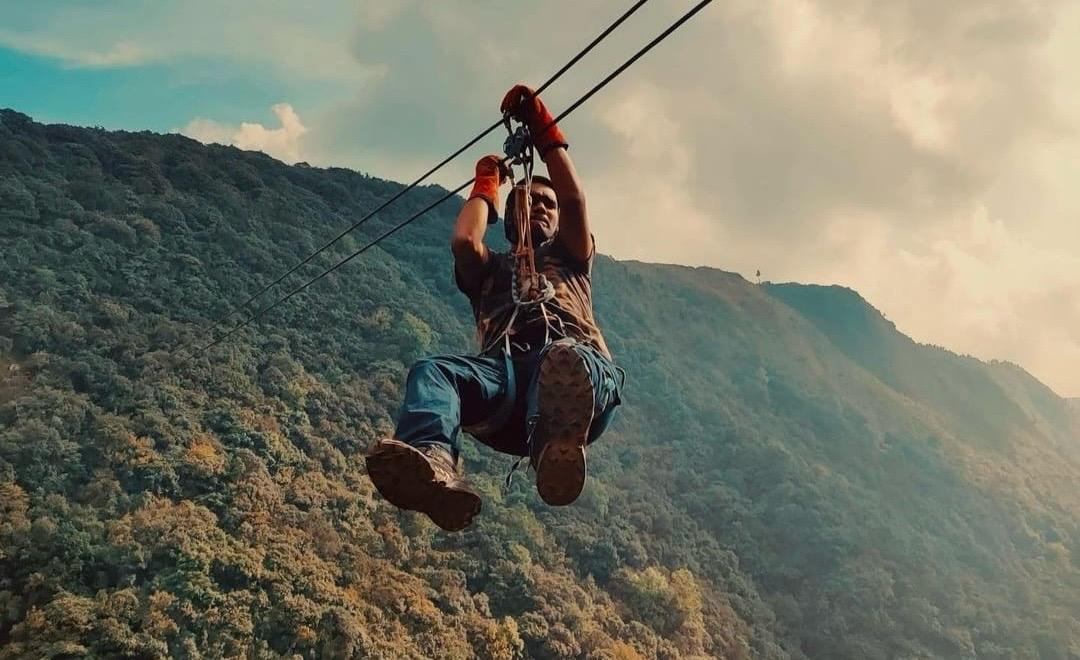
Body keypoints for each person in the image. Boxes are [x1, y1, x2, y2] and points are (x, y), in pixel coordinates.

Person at [365, 84, 624, 531]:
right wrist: (487, 183)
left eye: (546, 203)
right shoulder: (491, 272)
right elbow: (465, 241)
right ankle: (433, 460)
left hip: (576, 380)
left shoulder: (571, 259)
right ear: (508, 217)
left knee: (564, 357)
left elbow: (575, 201)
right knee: (433, 370)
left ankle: (555, 439)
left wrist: (544, 131)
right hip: (505, 384)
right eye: (527, 201)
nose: (539, 208)